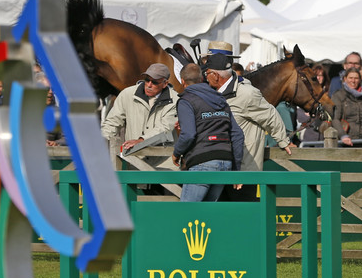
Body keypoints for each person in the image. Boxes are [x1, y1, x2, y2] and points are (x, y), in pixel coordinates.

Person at [204, 53, 295, 200]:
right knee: (220, 216)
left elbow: (270, 114)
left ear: (215, 75)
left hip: (243, 169)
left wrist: (283, 141)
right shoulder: (213, 92)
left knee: (244, 216)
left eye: (207, 73)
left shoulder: (246, 93)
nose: (205, 76)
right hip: (220, 166)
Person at [171, 64, 244, 202]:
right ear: (201, 78)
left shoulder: (186, 100)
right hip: (225, 162)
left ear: (182, 81)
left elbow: (188, 134)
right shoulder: (221, 99)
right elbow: (237, 134)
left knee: (187, 213)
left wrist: (176, 153)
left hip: (202, 161)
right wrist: (236, 168)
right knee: (207, 215)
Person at [101, 63, 178, 152]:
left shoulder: (176, 101)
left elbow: (165, 129)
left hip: (164, 161)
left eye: (154, 82)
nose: (149, 85)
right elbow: (113, 122)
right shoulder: (127, 94)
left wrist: (141, 141)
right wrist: (101, 140)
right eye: (147, 80)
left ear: (165, 83)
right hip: (133, 158)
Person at [330, 67, 362, 147]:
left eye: (356, 78)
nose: (353, 81)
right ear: (345, 79)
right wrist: (343, 135)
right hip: (344, 142)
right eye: (350, 78)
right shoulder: (338, 95)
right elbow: (335, 119)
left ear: (360, 79)